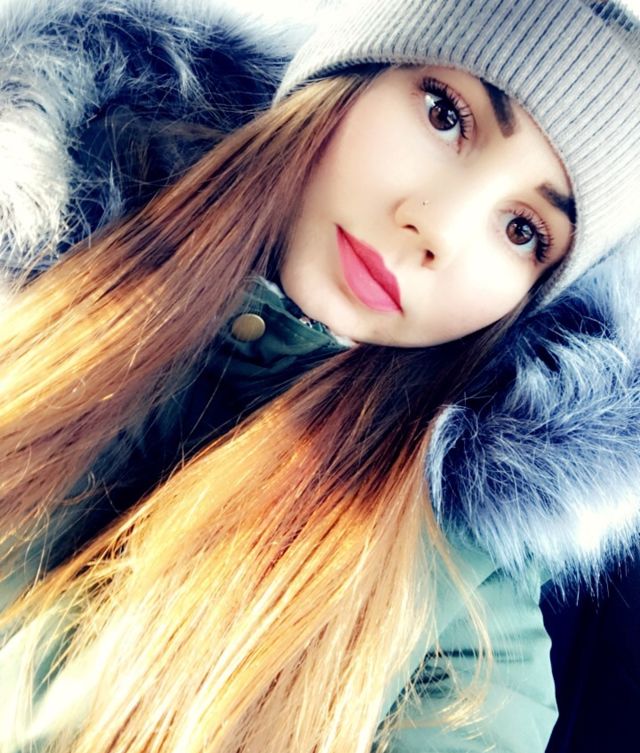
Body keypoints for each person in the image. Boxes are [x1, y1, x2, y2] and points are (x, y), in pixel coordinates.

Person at [0, 1, 638, 752]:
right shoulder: (31, 237)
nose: (438, 228)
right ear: (346, 76)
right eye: (444, 115)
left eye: (523, 230)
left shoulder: (458, 632)